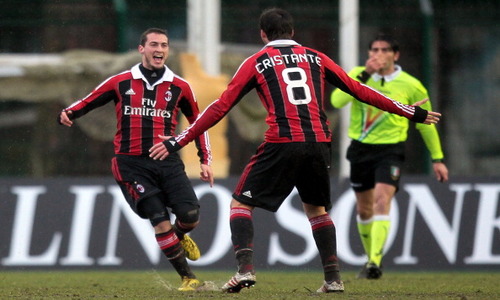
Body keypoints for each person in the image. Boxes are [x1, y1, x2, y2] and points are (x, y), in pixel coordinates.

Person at [149, 9, 441, 293]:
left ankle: (245, 270)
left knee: (240, 205)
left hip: (282, 141)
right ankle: (333, 279)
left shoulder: (257, 61)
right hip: (318, 142)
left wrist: (178, 140)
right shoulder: (316, 57)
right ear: (293, 33)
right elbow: (358, 90)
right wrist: (410, 112)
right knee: (317, 210)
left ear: (263, 34)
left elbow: (221, 106)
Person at [58, 28, 214, 291]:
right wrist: (70, 112)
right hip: (131, 164)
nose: (159, 50)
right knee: (158, 217)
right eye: (154, 44)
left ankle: (178, 236)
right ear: (141, 49)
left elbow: (198, 123)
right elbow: (91, 99)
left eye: (164, 45)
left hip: (168, 161)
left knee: (190, 216)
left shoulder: (180, 87)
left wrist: (205, 159)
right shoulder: (121, 81)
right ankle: (189, 278)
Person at [330, 33, 449, 279]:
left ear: (395, 55)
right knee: (364, 210)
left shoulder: (411, 85)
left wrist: (437, 158)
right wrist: (363, 77)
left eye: (384, 50)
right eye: (374, 50)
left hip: (391, 150)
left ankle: (375, 261)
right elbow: (336, 101)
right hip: (361, 148)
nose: (378, 54)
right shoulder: (357, 75)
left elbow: (425, 123)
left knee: (382, 200)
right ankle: (369, 258)